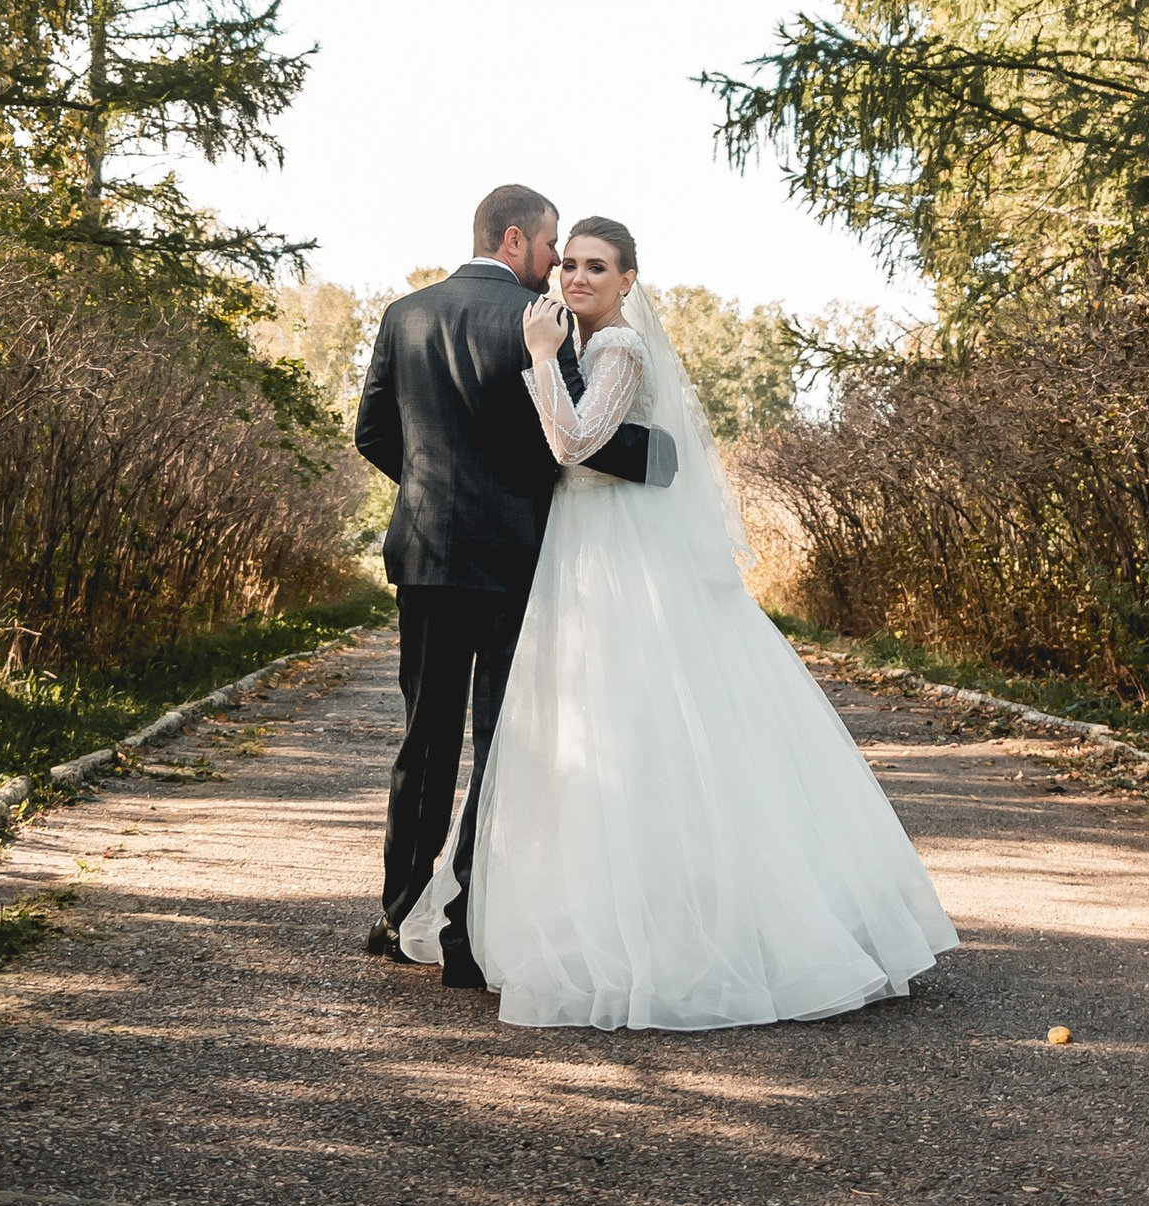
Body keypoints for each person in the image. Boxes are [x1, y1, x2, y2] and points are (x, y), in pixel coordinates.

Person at [399, 214, 957, 1030]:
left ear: (629, 279)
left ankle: (680, 925)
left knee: (640, 714)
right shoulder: (590, 344)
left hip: (620, 551)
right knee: (592, 727)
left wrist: (546, 360)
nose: (577, 277)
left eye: (596, 267)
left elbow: (576, 441)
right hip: (581, 546)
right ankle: (596, 898)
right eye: (572, 264)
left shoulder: (615, 346)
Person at [352, 180, 658, 986]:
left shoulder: (403, 314)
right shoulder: (539, 326)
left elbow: (373, 430)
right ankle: (463, 931)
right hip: (512, 555)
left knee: (423, 735)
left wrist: (427, 490)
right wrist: (653, 462)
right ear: (518, 238)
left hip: (423, 554)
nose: (558, 262)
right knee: (498, 740)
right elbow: (572, 443)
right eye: (553, 244)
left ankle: (399, 908)